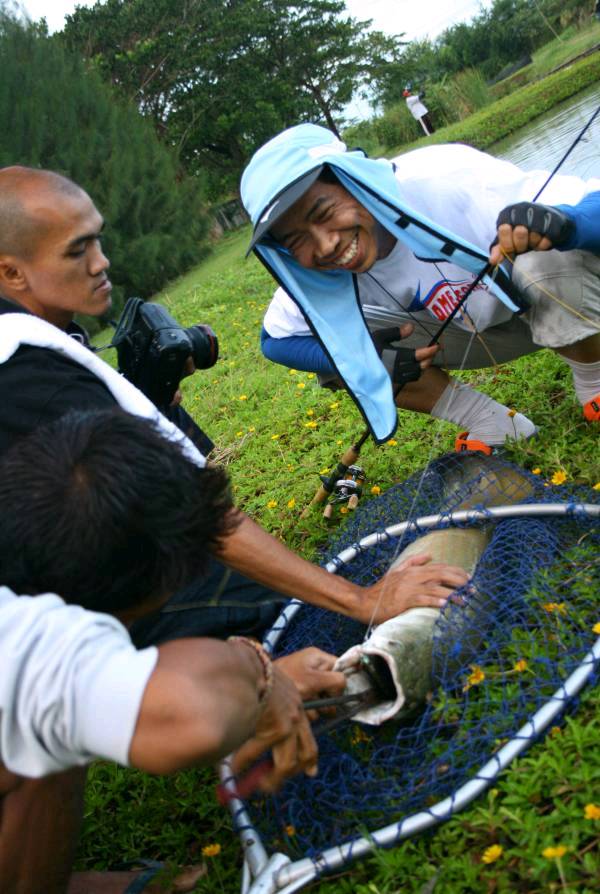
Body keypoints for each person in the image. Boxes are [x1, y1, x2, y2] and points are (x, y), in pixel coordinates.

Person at [0, 164, 469, 636]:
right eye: (77, 250)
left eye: (96, 239)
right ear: (11, 272)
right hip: (78, 629)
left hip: (124, 564)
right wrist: (363, 599)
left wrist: (148, 404)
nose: (100, 262)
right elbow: (194, 513)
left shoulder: (41, 332)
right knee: (311, 629)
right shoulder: (32, 376)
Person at [0, 408, 346, 894]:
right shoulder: (25, 644)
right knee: (46, 740)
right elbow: (194, 715)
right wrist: (261, 676)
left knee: (43, 732)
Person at [240, 123, 600, 451]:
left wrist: (566, 225)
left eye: (323, 212)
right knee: (341, 352)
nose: (325, 246)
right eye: (296, 239)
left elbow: (592, 199)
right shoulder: (315, 277)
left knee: (543, 253)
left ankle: (593, 382)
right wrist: (364, 356)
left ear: (353, 181)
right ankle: (493, 425)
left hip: (552, 305)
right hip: (475, 333)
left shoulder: (445, 176)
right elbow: (275, 340)